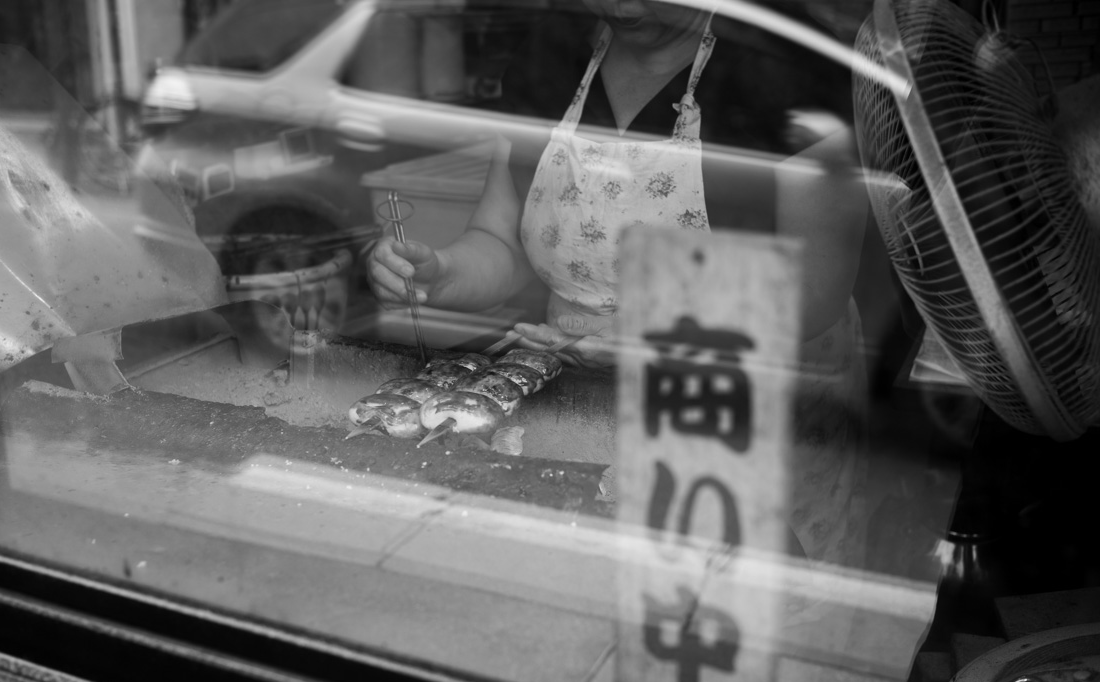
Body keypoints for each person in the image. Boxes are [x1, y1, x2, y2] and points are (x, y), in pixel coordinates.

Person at [368, 0, 870, 567]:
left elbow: (814, 289)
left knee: (742, 610)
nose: (624, 7)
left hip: (744, 405)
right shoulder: (551, 55)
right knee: (593, 587)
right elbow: (502, 241)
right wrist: (441, 272)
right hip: (583, 399)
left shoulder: (788, 65)